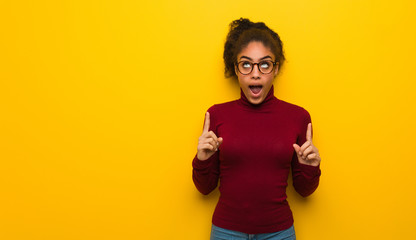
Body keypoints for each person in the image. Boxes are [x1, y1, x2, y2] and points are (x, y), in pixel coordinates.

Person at [192, 18, 322, 240]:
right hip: (226, 232)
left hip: (279, 232)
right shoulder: (216, 115)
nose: (255, 73)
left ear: (275, 68)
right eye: (246, 64)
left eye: (264, 64)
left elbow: (304, 190)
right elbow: (205, 189)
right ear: (236, 68)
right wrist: (202, 159)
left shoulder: (299, 117)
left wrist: (310, 168)